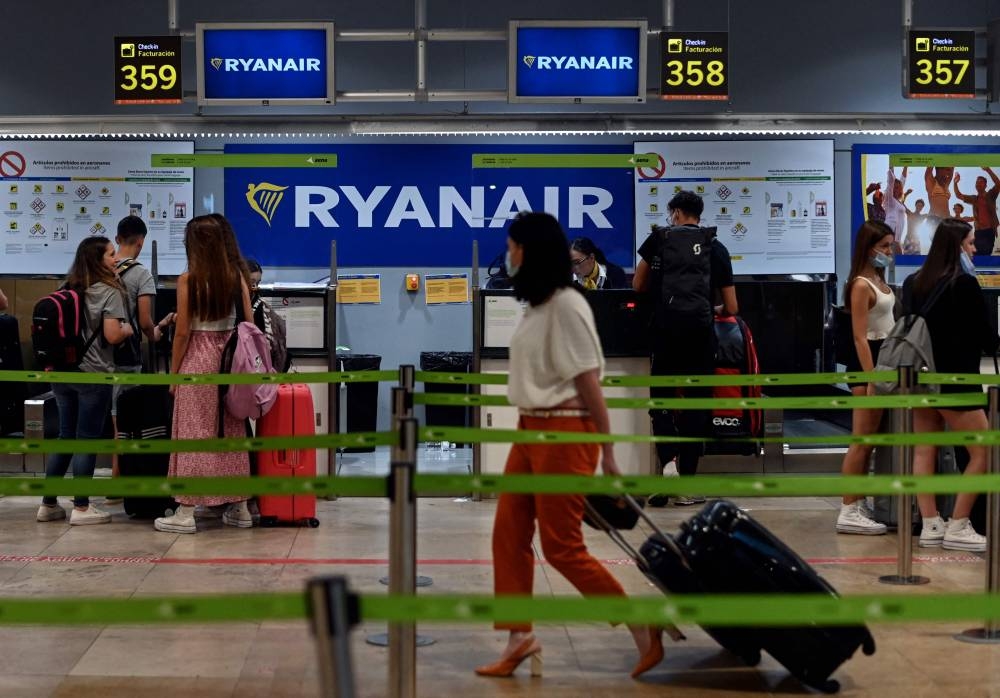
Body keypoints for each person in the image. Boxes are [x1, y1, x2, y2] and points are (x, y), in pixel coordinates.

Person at [476, 212, 674, 680]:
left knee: (562, 547)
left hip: (565, 433)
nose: (509, 255)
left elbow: (589, 382)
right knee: (507, 535)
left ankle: (641, 625)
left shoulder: (568, 304)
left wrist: (606, 453)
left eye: (513, 247)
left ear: (531, 250)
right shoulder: (539, 304)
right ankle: (519, 638)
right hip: (531, 432)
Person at [633, 191, 738, 506]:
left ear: (675, 212)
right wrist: (712, 308)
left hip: (665, 334)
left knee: (662, 402)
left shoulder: (658, 241)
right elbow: (732, 304)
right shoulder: (715, 248)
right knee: (696, 406)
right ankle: (687, 483)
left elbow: (638, 285)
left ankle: (667, 466)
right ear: (699, 214)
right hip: (700, 337)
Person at [153, 215, 254, 534]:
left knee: (193, 435)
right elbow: (249, 323)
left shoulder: (189, 279)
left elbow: (182, 332)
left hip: (198, 359)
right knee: (231, 433)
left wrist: (173, 375)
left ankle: (185, 510)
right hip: (232, 361)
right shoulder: (237, 275)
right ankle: (239, 508)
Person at [904, 218, 999, 552]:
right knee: (984, 450)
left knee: (924, 449)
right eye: (971, 243)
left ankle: (930, 523)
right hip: (958, 378)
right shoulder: (966, 284)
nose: (975, 249)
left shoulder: (912, 282)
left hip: (920, 377)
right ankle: (959, 524)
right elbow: (986, 336)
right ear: (958, 246)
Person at [36, 237, 133, 525]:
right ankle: (81, 506)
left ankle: (48, 503)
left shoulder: (67, 288)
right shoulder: (109, 290)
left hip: (62, 373)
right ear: (98, 260)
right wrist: (127, 329)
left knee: (66, 436)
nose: (116, 259)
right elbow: (113, 335)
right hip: (93, 373)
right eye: (111, 254)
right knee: (87, 439)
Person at [835, 221, 896, 535]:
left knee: (868, 441)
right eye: (884, 246)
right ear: (868, 247)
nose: (889, 251)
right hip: (867, 367)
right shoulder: (860, 284)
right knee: (860, 441)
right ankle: (847, 508)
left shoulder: (879, 279)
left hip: (882, 363)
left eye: (890, 245)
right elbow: (860, 337)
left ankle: (857, 502)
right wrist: (871, 379)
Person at [109, 216, 175, 487]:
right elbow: (145, 321)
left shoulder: (99, 270)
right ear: (141, 241)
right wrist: (157, 332)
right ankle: (119, 481)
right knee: (123, 422)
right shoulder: (140, 274)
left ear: (117, 238)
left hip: (96, 357)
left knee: (99, 421)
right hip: (126, 356)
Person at [953, 168, 1000, 256]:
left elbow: (998, 183)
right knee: (976, 256)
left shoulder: (991, 195)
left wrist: (988, 169)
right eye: (977, 182)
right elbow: (958, 195)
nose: (978, 184)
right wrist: (955, 183)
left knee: (986, 256)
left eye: (981, 182)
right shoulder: (974, 199)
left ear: (986, 185)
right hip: (978, 232)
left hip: (989, 231)